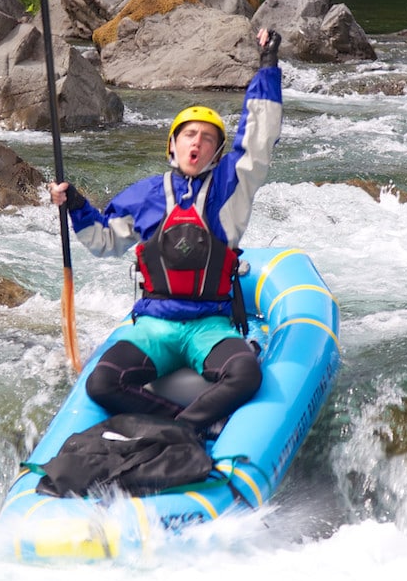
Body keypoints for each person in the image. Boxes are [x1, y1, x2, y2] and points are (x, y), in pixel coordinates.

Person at [47, 27, 283, 437]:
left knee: (246, 374)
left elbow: (258, 140)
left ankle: (185, 427)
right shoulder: (144, 196)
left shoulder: (232, 187)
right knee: (101, 383)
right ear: (172, 146)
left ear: (216, 152)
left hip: (210, 324)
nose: (198, 143)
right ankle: (180, 426)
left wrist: (267, 68)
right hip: (155, 326)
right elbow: (104, 242)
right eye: (189, 135)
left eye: (208, 139)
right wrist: (77, 207)